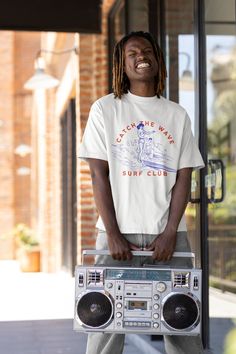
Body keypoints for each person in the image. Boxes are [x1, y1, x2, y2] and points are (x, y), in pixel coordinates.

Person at [78, 31, 205, 354]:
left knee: (181, 320)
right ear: (122, 64)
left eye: (146, 50)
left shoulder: (176, 115)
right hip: (116, 233)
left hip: (169, 235)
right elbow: (98, 174)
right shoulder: (105, 109)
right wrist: (113, 232)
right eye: (131, 53)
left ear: (157, 61)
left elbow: (183, 177)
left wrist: (169, 232)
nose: (140, 56)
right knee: (105, 321)